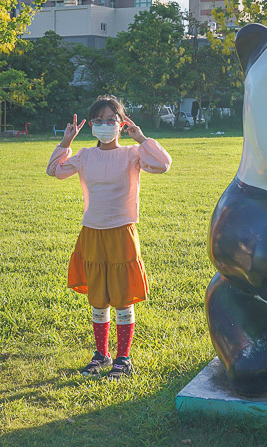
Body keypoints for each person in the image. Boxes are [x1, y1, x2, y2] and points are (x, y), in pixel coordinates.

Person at [46, 95, 172, 379]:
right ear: (91, 125)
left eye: (110, 120)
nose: (104, 125)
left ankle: (123, 358)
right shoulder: (85, 155)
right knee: (98, 297)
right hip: (92, 231)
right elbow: (54, 170)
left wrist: (141, 138)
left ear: (121, 123)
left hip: (121, 231)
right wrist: (66, 142)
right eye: (99, 120)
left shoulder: (132, 154)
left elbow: (163, 164)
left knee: (122, 296)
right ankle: (101, 354)